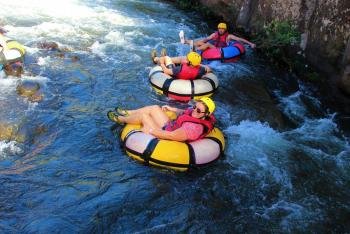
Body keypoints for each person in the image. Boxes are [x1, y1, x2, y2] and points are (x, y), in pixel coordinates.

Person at [107, 97, 216, 142]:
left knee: (144, 117)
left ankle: (120, 119)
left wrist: (150, 131)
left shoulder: (193, 128)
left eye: (198, 111)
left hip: (166, 133)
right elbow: (185, 113)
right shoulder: (195, 113)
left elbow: (172, 136)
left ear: (206, 115)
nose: (194, 110)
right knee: (155, 107)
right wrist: (173, 109)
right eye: (194, 107)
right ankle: (128, 112)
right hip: (171, 126)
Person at [184, 22, 256, 51]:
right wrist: (201, 41)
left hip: (220, 50)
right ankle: (186, 41)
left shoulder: (229, 36)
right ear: (218, 29)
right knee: (202, 42)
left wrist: (251, 44)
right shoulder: (215, 34)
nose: (221, 30)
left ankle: (195, 50)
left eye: (222, 29)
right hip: (213, 47)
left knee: (208, 44)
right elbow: (207, 38)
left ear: (225, 29)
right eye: (219, 28)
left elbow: (240, 39)